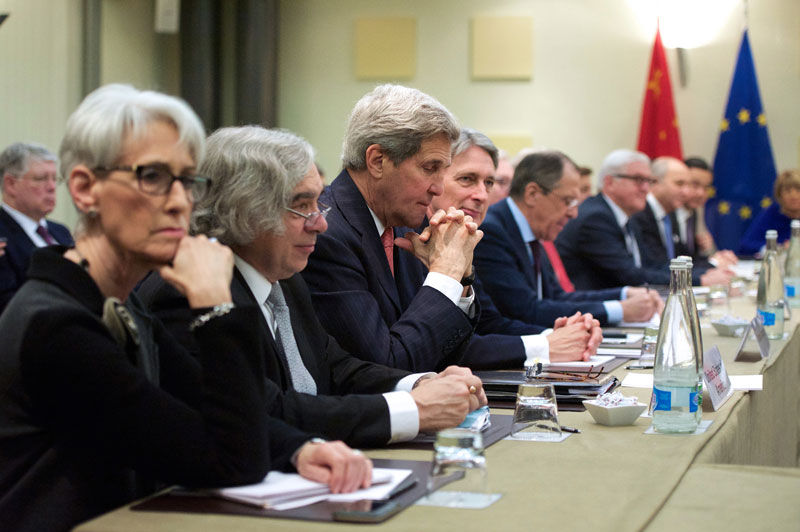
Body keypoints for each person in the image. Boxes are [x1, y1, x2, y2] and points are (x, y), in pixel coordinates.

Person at [0, 85, 371, 532]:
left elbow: (199, 404)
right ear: (84, 189)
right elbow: (233, 458)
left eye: (186, 181)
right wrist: (218, 307)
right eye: (152, 177)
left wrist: (299, 448)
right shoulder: (57, 326)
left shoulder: (121, 302)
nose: (179, 202)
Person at [138, 125, 486, 447]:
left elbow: (335, 367)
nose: (320, 223)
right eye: (303, 207)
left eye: (318, 202)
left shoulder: (284, 278)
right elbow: (269, 410)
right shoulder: (188, 289)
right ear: (244, 210)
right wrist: (413, 410)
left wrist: (417, 384)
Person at [302, 84, 483, 372]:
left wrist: (461, 279)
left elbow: (442, 354)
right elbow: (385, 365)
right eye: (429, 167)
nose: (438, 188)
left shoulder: (403, 224)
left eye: (443, 170)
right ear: (377, 161)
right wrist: (444, 275)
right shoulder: (328, 233)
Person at [427, 128, 601, 364]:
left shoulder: (463, 238)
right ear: (433, 180)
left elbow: (487, 322)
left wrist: (561, 335)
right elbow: (436, 346)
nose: (482, 195)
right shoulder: (414, 238)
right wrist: (547, 344)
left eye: (489, 182)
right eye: (467, 179)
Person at [476, 149, 659, 327]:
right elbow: (527, 310)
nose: (574, 213)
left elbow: (557, 296)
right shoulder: (492, 232)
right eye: (567, 201)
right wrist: (620, 310)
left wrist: (623, 294)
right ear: (533, 194)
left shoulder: (533, 230)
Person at [555, 149, 670, 289]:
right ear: (609, 182)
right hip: (592, 307)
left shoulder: (627, 215)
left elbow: (649, 264)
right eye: (639, 180)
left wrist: (691, 276)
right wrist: (692, 280)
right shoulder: (595, 218)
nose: (646, 188)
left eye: (648, 181)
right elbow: (629, 275)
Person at [633, 157, 734, 285]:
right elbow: (654, 267)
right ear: (655, 182)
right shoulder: (639, 214)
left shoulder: (669, 214)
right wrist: (706, 273)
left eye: (688, 185)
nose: (687, 192)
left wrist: (710, 267)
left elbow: (680, 260)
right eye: (679, 184)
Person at [0, 142, 74, 312]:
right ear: (11, 184)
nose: (51, 187)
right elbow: (7, 303)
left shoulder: (61, 232)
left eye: (55, 179)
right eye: (41, 179)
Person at [739, 169, 800, 255]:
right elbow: (746, 245)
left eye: (798, 190)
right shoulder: (772, 213)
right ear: (779, 195)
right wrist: (777, 248)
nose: (794, 196)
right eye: (788, 191)